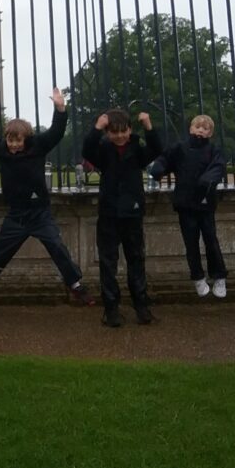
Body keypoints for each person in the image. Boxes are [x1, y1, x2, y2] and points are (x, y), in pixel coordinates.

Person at [0, 90, 95, 306]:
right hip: (16, 213)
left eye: (18, 141)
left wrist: (60, 110)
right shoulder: (1, 149)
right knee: (1, 247)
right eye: (10, 140)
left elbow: (56, 132)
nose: (13, 145)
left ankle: (76, 286)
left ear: (26, 139)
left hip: (39, 212)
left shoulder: (38, 146)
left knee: (56, 246)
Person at [82, 108, 163, 327]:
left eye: (123, 131)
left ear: (129, 129)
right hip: (109, 213)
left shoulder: (136, 148)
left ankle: (141, 305)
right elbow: (87, 150)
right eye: (114, 132)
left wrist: (148, 125)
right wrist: (97, 127)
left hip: (133, 212)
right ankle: (111, 309)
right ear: (108, 133)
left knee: (136, 259)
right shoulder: (104, 150)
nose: (119, 136)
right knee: (108, 263)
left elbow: (157, 149)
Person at [149, 114, 228, 299]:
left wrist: (206, 181)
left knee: (211, 241)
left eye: (205, 128)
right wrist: (158, 170)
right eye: (198, 127)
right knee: (191, 243)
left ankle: (219, 277)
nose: (201, 130)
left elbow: (218, 167)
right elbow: (164, 159)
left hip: (205, 203)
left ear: (210, 133)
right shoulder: (180, 148)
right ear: (191, 129)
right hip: (185, 203)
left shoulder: (213, 150)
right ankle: (198, 278)